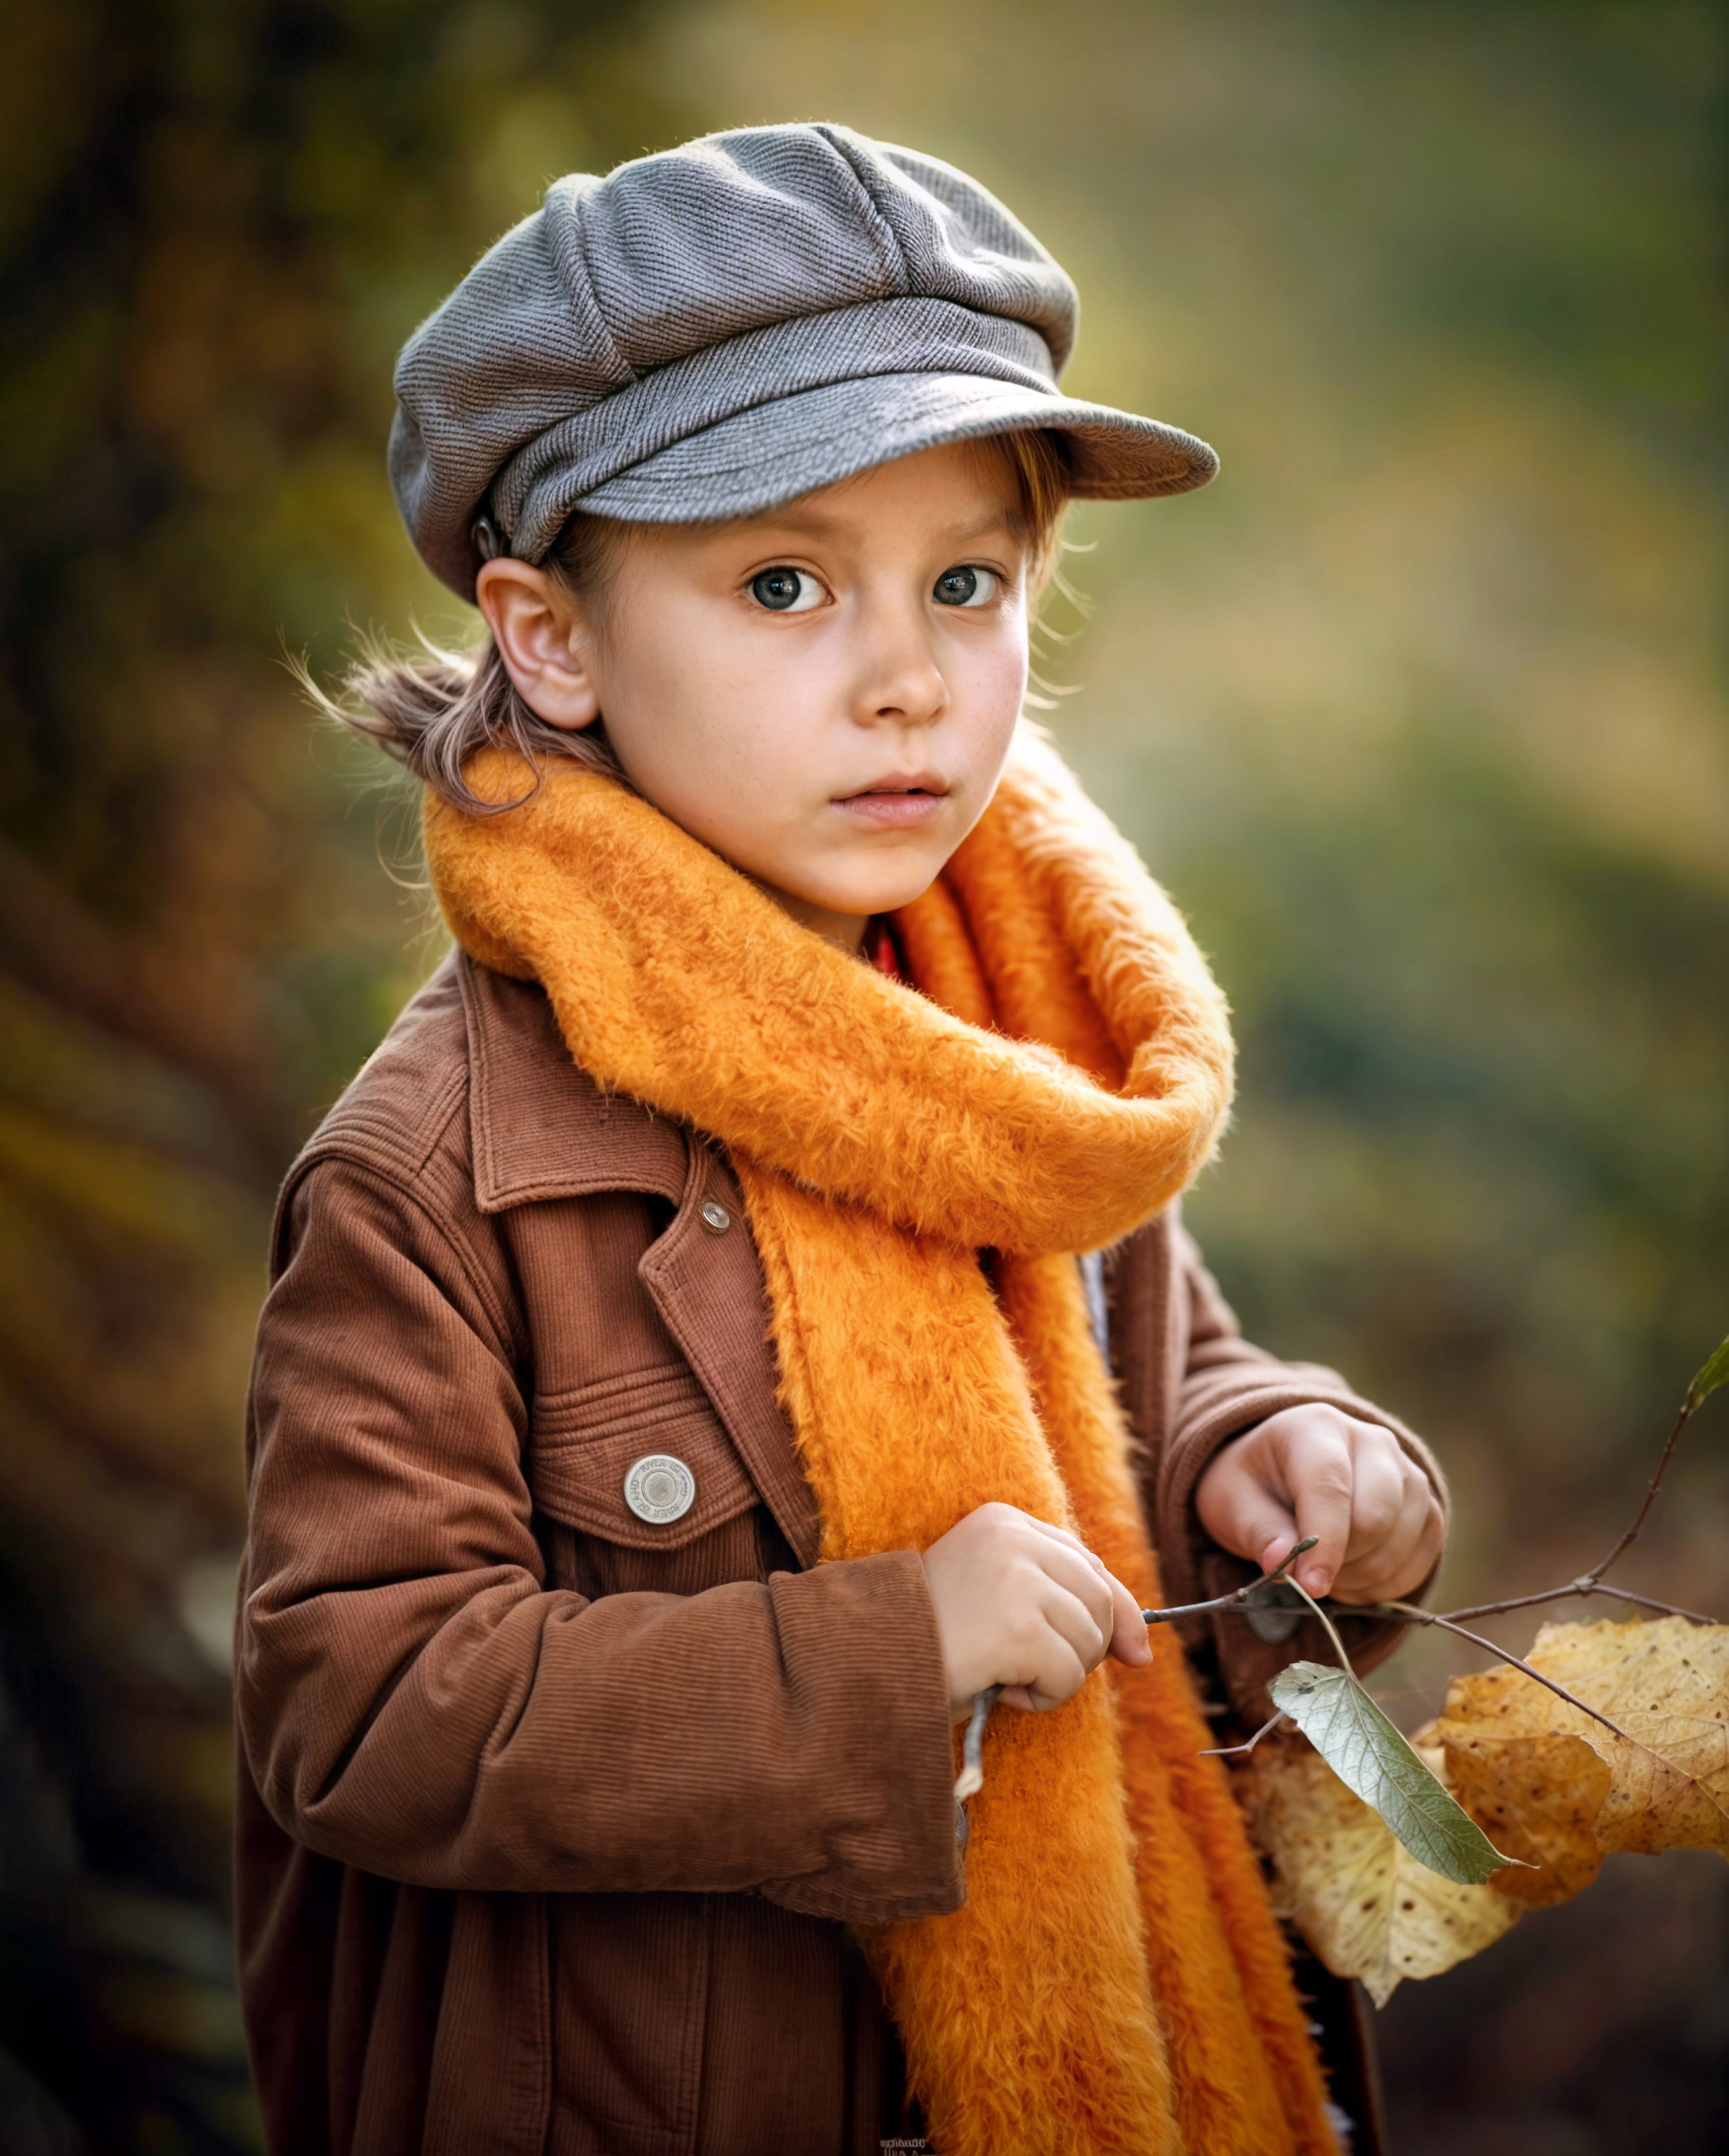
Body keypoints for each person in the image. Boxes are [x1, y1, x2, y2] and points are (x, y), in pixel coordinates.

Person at [237, 123, 1447, 2156]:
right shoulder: (440, 1172)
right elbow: (360, 1706)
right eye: (785, 582)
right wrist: (880, 1663)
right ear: (552, 638)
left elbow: (1170, 1387)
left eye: (966, 581)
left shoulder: (1015, 1052)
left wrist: (1286, 1463)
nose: (907, 681)